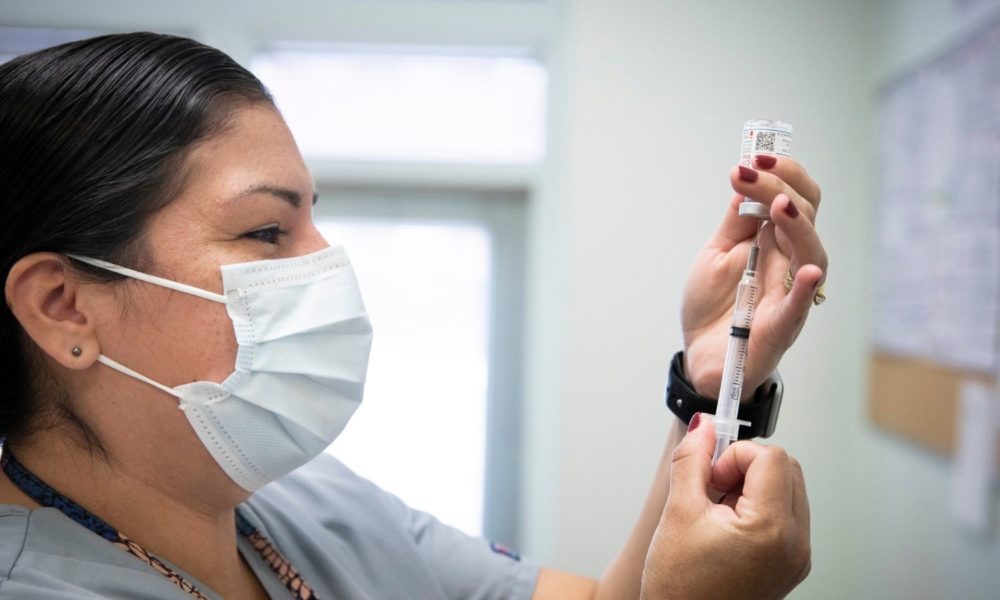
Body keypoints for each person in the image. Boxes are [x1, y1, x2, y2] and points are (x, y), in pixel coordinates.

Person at [0, 32, 825, 599]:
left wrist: (712, 381)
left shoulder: (306, 507)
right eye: (265, 231)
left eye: (314, 221)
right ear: (63, 306)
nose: (328, 265)